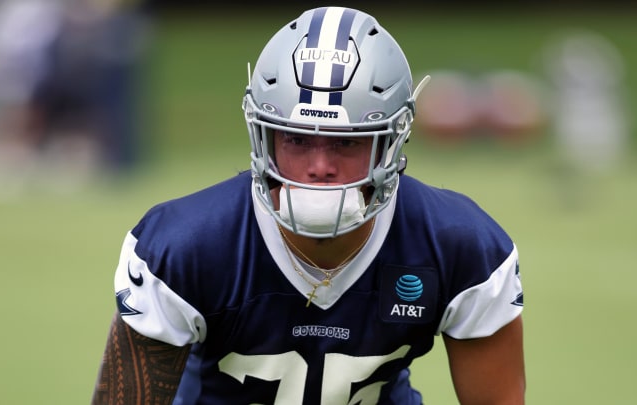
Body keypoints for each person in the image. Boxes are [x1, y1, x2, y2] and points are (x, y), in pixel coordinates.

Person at [91, 6, 525, 405]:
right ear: (265, 138)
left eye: (346, 141)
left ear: (390, 144)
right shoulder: (185, 247)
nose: (320, 167)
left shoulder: (460, 247)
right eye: (297, 139)